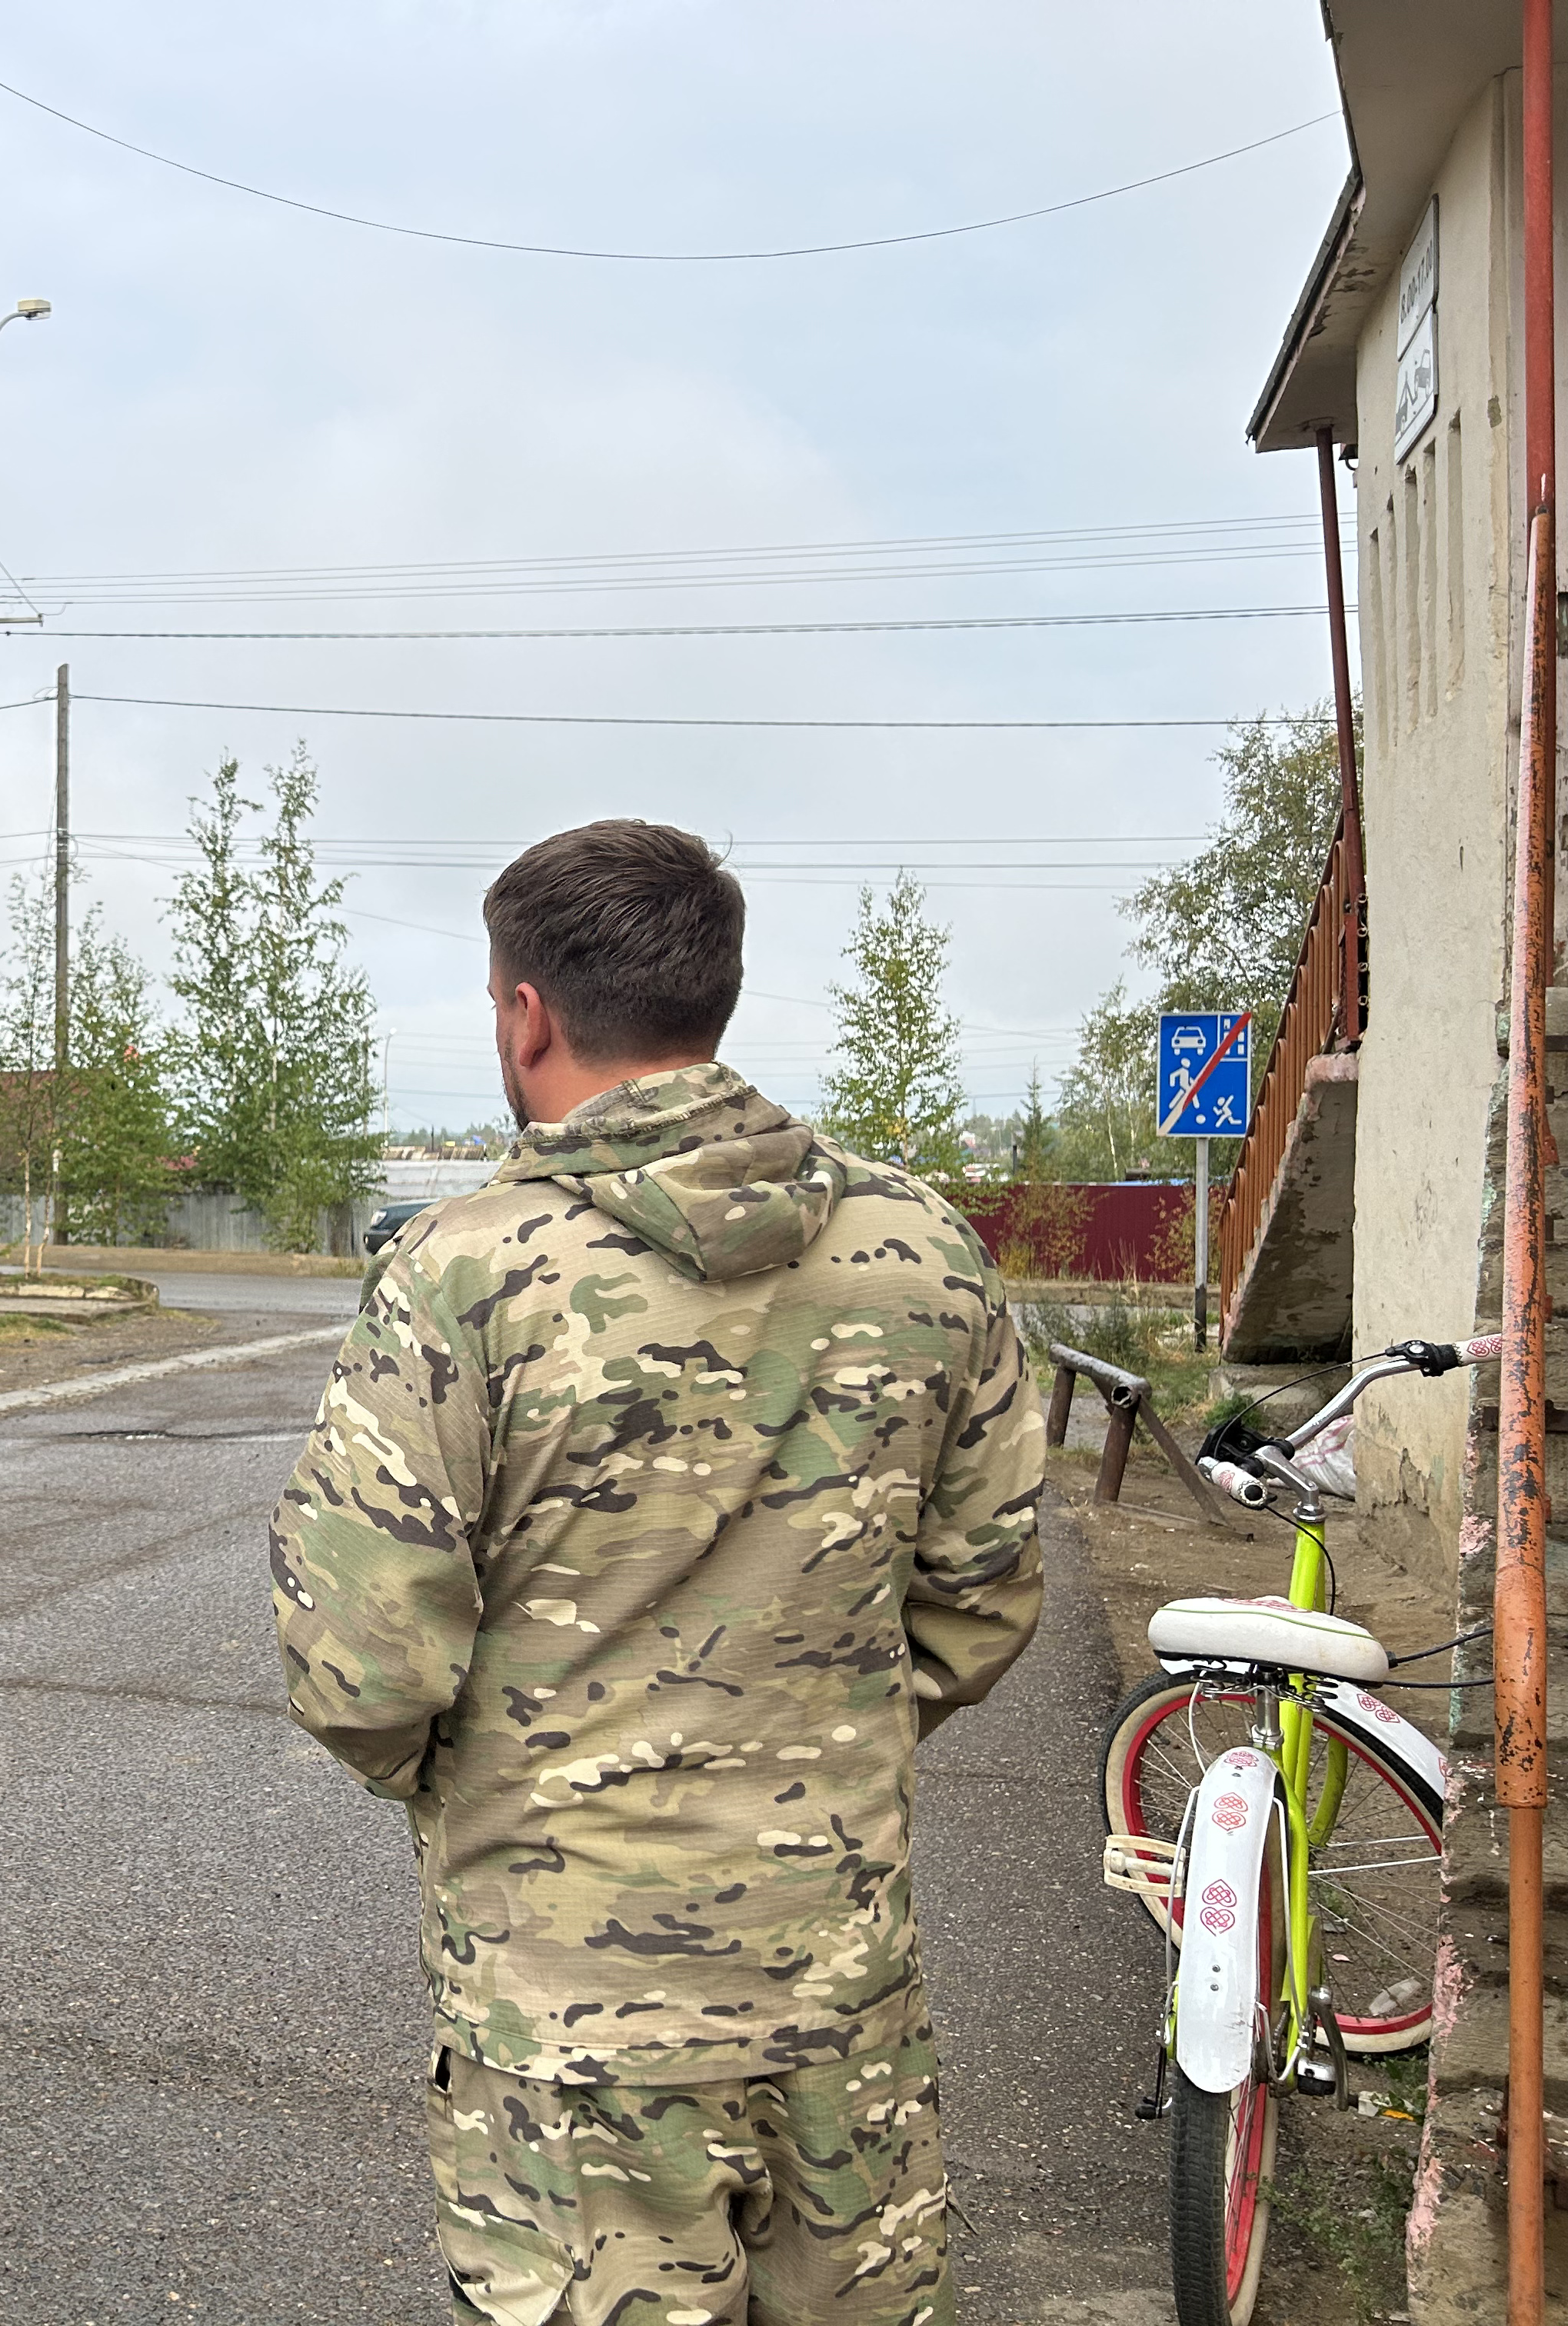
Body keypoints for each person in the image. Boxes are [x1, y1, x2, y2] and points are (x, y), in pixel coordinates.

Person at [268, 821, 1043, 2326]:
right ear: (715, 1000)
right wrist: (819, 1730)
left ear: (526, 1015)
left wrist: (488, 1783)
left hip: (572, 2033)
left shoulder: (460, 1273)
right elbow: (989, 1586)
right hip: (838, 1995)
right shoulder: (923, 1252)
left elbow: (363, 1663)